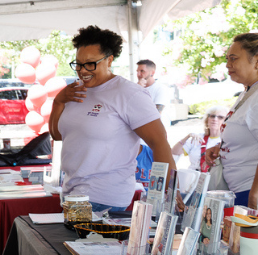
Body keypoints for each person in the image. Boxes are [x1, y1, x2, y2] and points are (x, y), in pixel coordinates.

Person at [49, 26, 175, 212]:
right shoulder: (74, 91)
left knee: (81, 240)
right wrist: (58, 102)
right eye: (78, 64)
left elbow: (159, 142)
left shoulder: (128, 93)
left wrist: (169, 190)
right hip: (72, 193)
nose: (83, 71)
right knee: (67, 240)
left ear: (109, 60)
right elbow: (59, 135)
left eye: (91, 64)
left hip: (103, 197)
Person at [205, 33, 258, 208]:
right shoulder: (248, 92)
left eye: (233, 59)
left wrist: (255, 195)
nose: (228, 64)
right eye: (228, 58)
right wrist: (222, 147)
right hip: (238, 191)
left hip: (249, 194)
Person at [172, 105, 230, 171]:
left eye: (220, 117)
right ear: (207, 119)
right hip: (193, 177)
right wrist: (187, 137)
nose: (215, 119)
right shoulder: (198, 137)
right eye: (212, 116)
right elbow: (174, 152)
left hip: (213, 179)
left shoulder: (227, 141)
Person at [137, 59, 173, 128]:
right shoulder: (136, 88)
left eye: (142, 71)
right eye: (137, 71)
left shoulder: (160, 88)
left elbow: (156, 114)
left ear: (152, 72)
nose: (138, 74)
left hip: (157, 130)